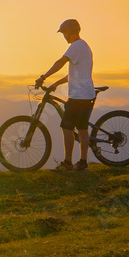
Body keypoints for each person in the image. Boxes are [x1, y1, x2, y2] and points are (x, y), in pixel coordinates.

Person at [34, 19, 95, 171]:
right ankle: (83, 163)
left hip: (78, 96)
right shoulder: (84, 47)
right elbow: (73, 74)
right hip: (86, 94)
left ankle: (67, 163)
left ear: (70, 32)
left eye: (64, 33)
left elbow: (60, 62)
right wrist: (57, 83)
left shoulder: (76, 46)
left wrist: (44, 77)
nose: (63, 36)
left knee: (67, 126)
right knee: (82, 128)